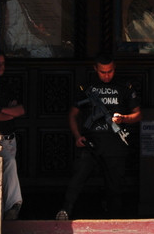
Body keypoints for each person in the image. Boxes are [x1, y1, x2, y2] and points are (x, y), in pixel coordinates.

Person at [56, 55, 141, 220]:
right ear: (96, 69)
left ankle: (114, 219)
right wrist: (77, 136)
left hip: (115, 144)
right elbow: (73, 115)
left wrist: (123, 118)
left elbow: (138, 115)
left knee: (115, 186)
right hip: (91, 142)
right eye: (103, 72)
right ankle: (65, 210)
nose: (107, 75)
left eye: (110, 71)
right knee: (78, 177)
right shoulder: (87, 88)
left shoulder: (124, 87)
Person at [0, 53, 25, 220]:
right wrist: (9, 111)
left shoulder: (7, 86)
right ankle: (13, 205)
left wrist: (4, 111)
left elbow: (21, 110)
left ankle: (11, 209)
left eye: (3, 63)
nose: (1, 66)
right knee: (9, 165)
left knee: (9, 168)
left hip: (9, 139)